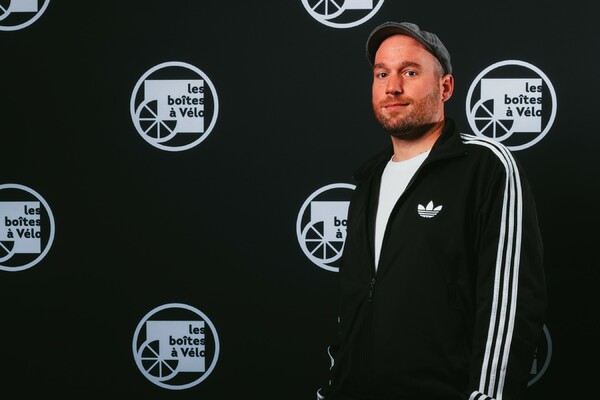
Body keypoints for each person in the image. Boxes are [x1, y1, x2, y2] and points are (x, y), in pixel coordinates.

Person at [317, 21, 547, 400]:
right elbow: (353, 305)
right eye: (382, 74)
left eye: (410, 72)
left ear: (445, 87)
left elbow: (510, 305)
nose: (392, 87)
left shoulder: (485, 166)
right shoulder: (368, 181)